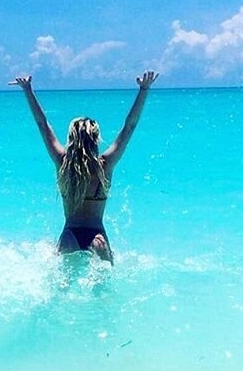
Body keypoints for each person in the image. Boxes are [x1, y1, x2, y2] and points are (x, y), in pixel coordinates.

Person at [10, 71, 158, 264]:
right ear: (96, 138)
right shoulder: (104, 166)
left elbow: (42, 124)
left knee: (63, 281)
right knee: (104, 281)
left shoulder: (63, 163)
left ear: (71, 138)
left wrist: (27, 90)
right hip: (97, 236)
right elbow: (129, 127)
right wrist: (144, 90)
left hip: (69, 235)